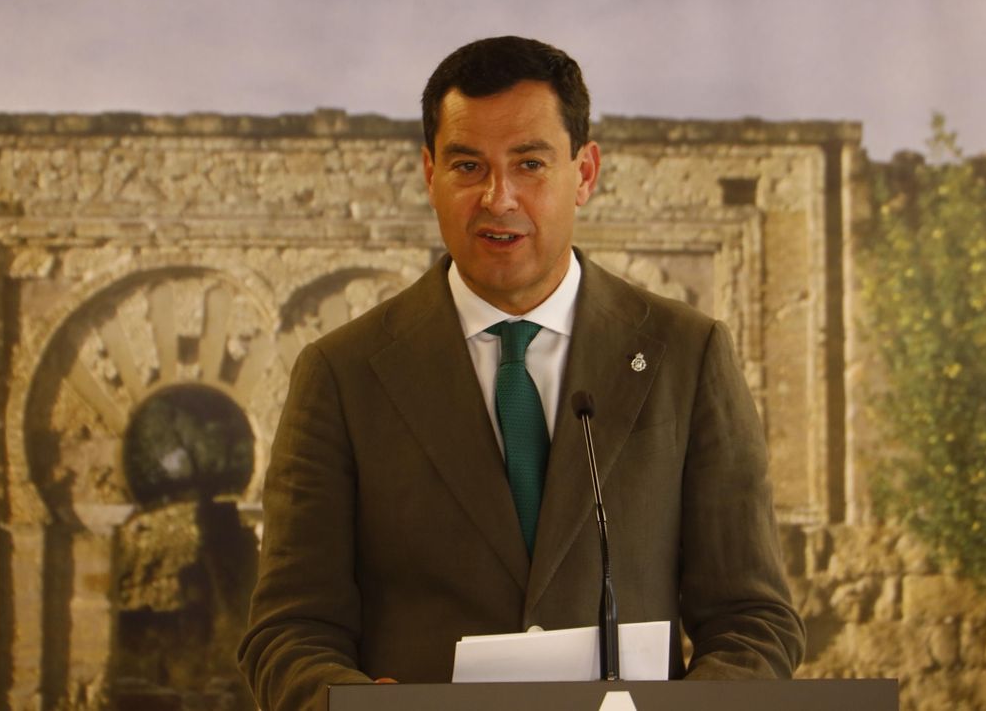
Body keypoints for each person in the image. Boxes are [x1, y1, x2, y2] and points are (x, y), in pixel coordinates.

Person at [239, 36, 804, 711]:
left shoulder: (687, 356)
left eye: (530, 164)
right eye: (468, 165)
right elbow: (288, 631)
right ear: (429, 173)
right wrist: (349, 704)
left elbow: (754, 623)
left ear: (585, 172)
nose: (496, 197)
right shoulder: (342, 375)